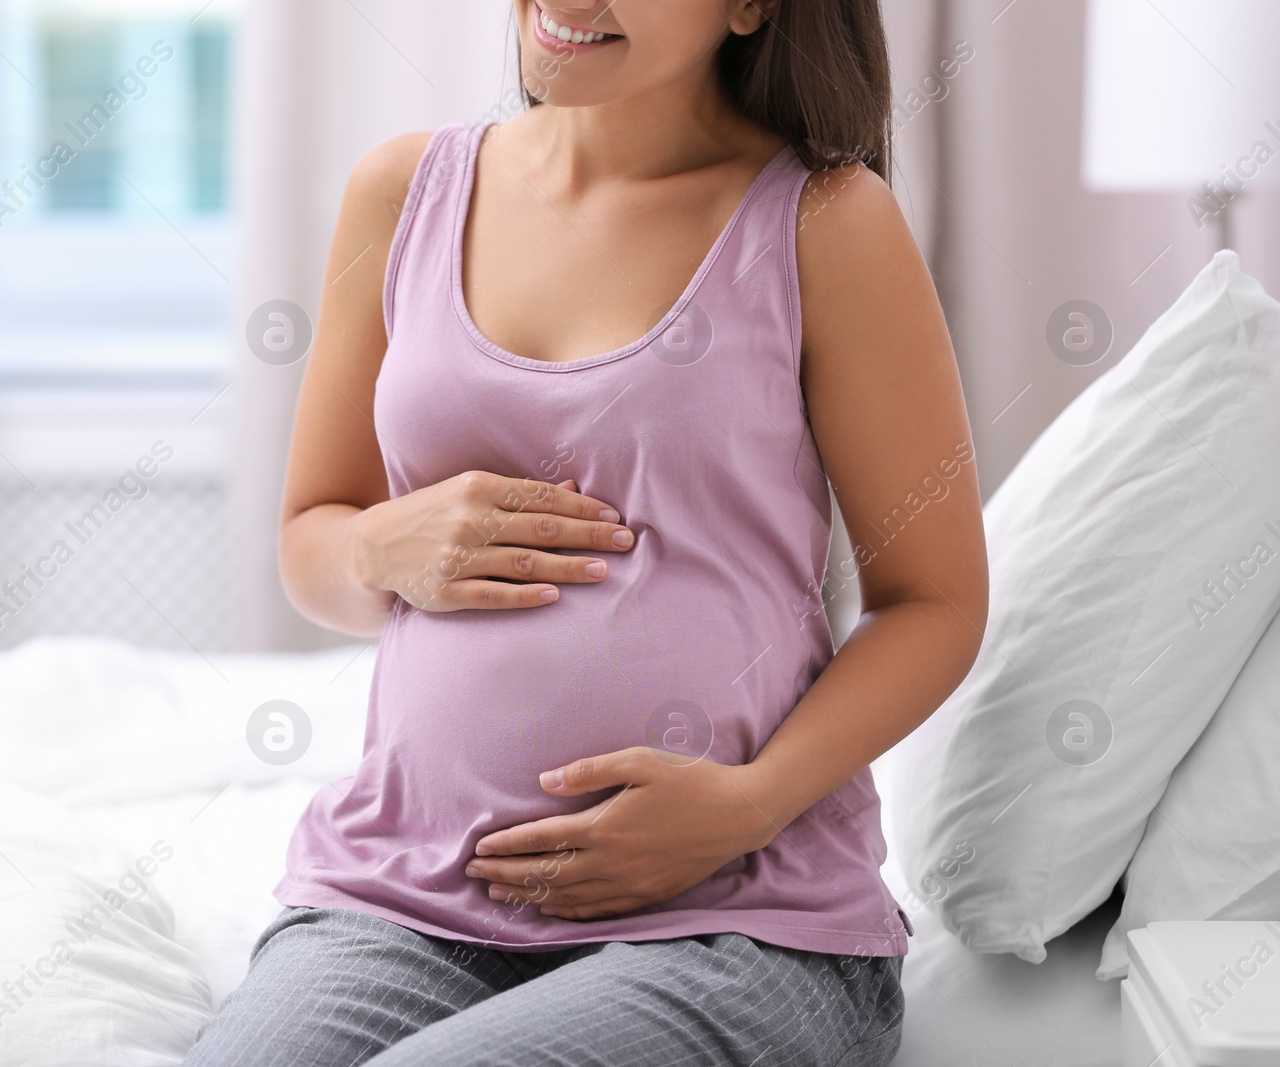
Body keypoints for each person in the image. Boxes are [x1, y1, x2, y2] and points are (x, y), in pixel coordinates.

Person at [186, 0, 987, 1063]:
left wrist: (747, 804)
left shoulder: (823, 220)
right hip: (403, 894)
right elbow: (311, 541)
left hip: (737, 918)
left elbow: (932, 601)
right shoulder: (403, 193)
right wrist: (384, 547)